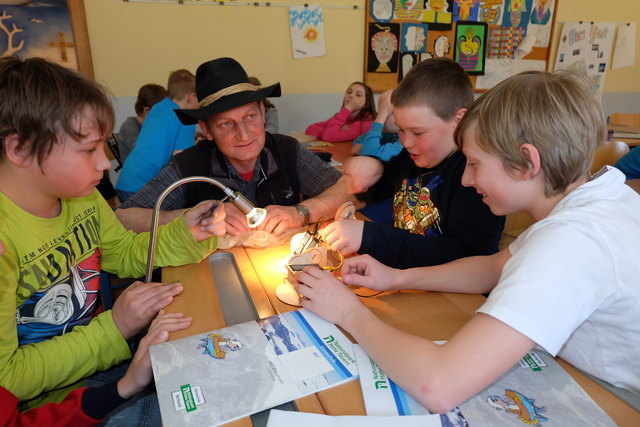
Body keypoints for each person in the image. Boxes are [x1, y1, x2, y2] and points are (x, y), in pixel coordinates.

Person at [294, 70, 640, 413]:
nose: (469, 179)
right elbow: (491, 268)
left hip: (619, 401)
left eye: (474, 163)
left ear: (526, 163)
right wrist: (396, 277)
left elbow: (438, 384)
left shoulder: (571, 240)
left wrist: (349, 312)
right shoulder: (595, 200)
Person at [0, 56, 225, 422]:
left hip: (110, 359)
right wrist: (116, 327)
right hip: (55, 405)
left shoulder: (84, 197)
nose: (106, 163)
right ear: (21, 150)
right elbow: (10, 380)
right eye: (89, 149)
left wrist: (188, 232)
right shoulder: (5, 240)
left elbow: (125, 252)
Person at [116, 57, 354, 237]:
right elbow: (123, 218)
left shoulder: (287, 151)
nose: (243, 135)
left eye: (250, 117)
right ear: (207, 130)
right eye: (226, 124)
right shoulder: (188, 166)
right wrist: (187, 217)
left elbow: (350, 190)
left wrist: (301, 212)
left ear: (263, 112)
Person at [321, 58, 504, 269]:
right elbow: (379, 186)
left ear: (458, 120)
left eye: (417, 132)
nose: (406, 142)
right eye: (401, 129)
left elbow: (466, 257)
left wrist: (372, 237)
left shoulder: (475, 176)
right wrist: (371, 171)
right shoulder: (412, 156)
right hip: (403, 279)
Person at [1, 307, 191, 426]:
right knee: (168, 413)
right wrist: (113, 329)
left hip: (75, 390)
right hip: (50, 393)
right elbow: (10, 377)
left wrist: (126, 385)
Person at [116, 69, 198, 202]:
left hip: (126, 182)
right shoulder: (186, 116)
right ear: (191, 97)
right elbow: (183, 161)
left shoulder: (158, 107)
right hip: (144, 188)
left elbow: (159, 137)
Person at [305, 82, 376, 143]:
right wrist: (335, 129)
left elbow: (328, 136)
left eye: (358, 95)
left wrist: (348, 108)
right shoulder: (341, 116)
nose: (351, 96)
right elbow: (310, 129)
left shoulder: (366, 123)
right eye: (349, 92)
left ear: (366, 103)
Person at [117, 83, 168, 163]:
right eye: (162, 112)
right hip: (136, 173)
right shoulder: (130, 125)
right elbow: (142, 154)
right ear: (147, 111)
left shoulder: (151, 126)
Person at [351, 89, 402, 161]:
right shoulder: (388, 134)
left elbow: (369, 155)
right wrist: (362, 146)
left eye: (385, 114)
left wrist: (381, 117)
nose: (379, 118)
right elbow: (358, 141)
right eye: (380, 112)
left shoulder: (404, 143)